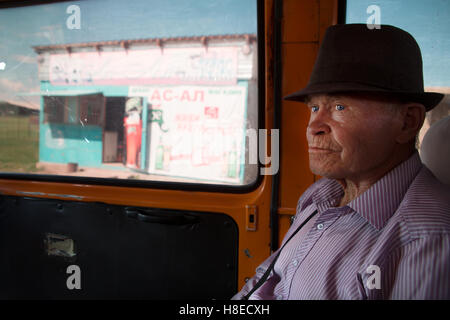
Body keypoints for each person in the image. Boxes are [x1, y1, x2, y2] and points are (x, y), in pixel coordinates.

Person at [232, 24, 450, 300]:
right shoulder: (320, 195)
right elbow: (269, 277)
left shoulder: (429, 238)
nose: (314, 126)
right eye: (314, 108)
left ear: (407, 122)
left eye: (339, 107)